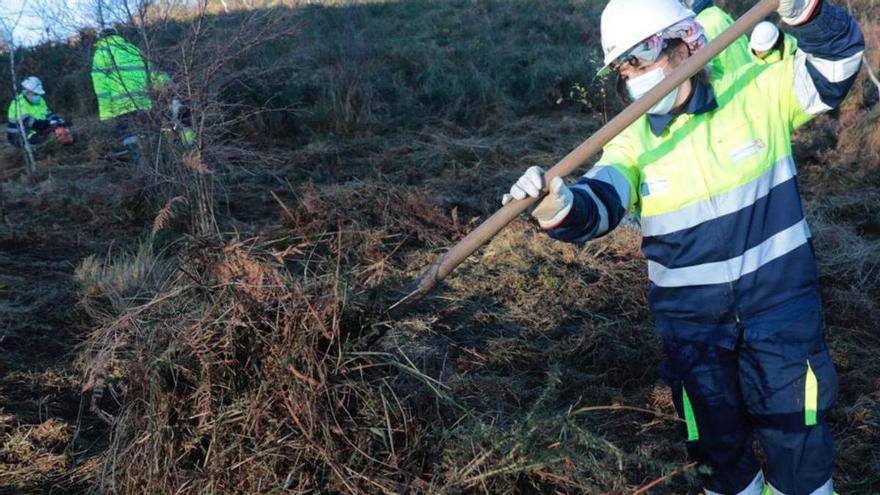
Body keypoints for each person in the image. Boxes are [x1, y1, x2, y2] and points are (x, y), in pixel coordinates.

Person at [503, 0, 863, 493]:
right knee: (719, 457)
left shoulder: (755, 90)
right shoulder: (632, 138)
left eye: (645, 53)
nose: (635, 75)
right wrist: (555, 204)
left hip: (781, 313)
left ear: (688, 40)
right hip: (693, 332)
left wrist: (808, 12)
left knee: (798, 448)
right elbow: (601, 202)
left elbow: (837, 66)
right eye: (625, 65)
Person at [91, 27, 180, 162]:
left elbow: (101, 87)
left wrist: (107, 112)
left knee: (129, 136)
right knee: (148, 134)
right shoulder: (133, 50)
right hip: (143, 103)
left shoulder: (101, 53)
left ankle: (141, 167)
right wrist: (166, 90)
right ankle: (159, 165)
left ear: (101, 38)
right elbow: (152, 73)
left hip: (121, 105)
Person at [6, 76, 68, 148]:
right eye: (35, 94)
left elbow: (48, 114)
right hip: (18, 135)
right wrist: (49, 124)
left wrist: (58, 121)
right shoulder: (18, 104)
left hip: (35, 129)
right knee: (39, 140)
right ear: (27, 92)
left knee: (56, 132)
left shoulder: (40, 101)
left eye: (39, 94)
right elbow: (29, 122)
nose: (38, 96)